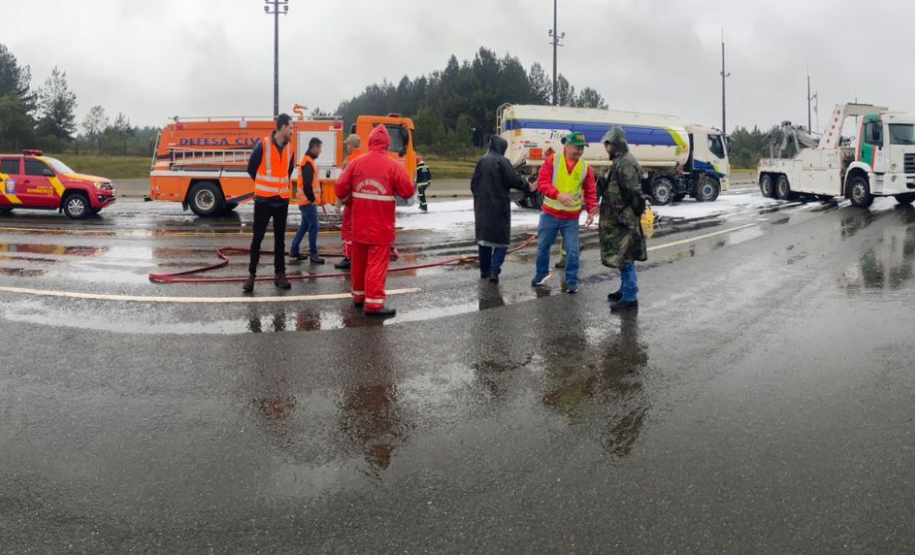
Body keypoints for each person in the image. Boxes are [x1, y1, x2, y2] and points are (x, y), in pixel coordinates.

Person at [335, 125, 415, 318]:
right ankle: (373, 305)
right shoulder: (393, 165)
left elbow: (340, 188)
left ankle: (359, 297)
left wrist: (351, 202)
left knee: (359, 263)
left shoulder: (356, 163)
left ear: (370, 141)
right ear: (387, 143)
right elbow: (408, 191)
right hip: (380, 226)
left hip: (359, 224)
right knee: (376, 265)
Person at [532, 131, 598, 294]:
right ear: (566, 146)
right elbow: (542, 183)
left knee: (573, 251)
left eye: (582, 148)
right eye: (577, 147)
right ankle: (541, 274)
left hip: (571, 218)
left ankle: (571, 282)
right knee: (543, 247)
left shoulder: (585, 167)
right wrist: (558, 195)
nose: (580, 151)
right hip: (550, 214)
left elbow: (590, 191)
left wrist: (591, 209)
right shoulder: (552, 161)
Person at [243, 113, 296, 293]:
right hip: (264, 201)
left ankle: (280, 274)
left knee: (280, 240)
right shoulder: (263, 145)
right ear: (282, 127)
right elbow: (251, 168)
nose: (292, 131)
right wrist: (261, 185)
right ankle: (251, 276)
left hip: (282, 201)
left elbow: (288, 171)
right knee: (257, 239)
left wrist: (281, 188)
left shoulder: (290, 148)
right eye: (291, 127)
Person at [471, 135, 534, 284]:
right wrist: (527, 186)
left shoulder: (481, 161)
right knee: (501, 241)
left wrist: (479, 197)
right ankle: (494, 271)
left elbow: (473, 184)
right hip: (498, 207)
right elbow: (513, 180)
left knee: (484, 240)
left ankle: (484, 271)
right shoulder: (502, 161)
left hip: (481, 207)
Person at [599, 126, 648, 312]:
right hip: (619, 219)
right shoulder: (620, 161)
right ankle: (624, 289)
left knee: (626, 257)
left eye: (608, 144)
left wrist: (633, 213)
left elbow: (634, 193)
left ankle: (630, 296)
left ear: (616, 144)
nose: (606, 148)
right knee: (622, 256)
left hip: (624, 221)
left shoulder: (626, 163)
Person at [289, 137, 325, 264]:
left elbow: (309, 183)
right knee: (314, 226)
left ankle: (294, 250)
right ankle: (314, 254)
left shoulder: (308, 161)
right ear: (314, 147)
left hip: (305, 202)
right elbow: (307, 185)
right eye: (319, 148)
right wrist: (313, 199)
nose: (320, 151)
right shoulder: (308, 162)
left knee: (304, 226)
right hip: (308, 202)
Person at [335, 134, 362, 270]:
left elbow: (342, 183)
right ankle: (358, 257)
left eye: (347, 144)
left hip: (351, 202)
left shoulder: (349, 161)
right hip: (362, 202)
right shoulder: (364, 159)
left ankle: (348, 258)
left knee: (347, 229)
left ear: (351, 145)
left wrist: (338, 203)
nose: (346, 146)